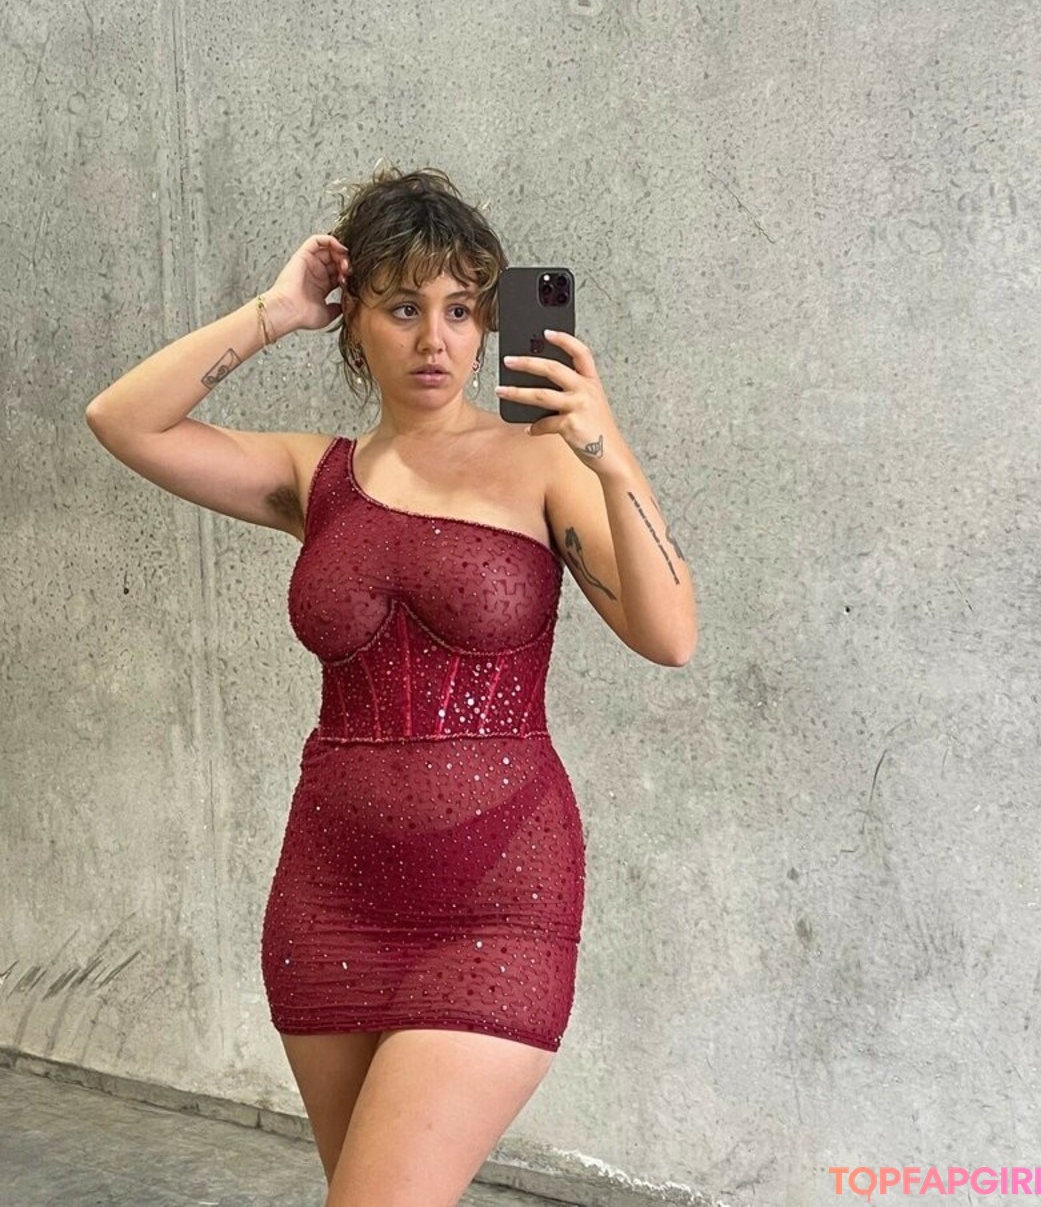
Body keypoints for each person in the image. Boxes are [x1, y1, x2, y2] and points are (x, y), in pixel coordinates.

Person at [85, 164, 698, 1207]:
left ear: (489, 321)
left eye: (461, 309)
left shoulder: (545, 463)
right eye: (404, 306)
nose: (435, 340)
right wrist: (274, 311)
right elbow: (122, 419)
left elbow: (670, 634)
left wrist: (609, 454)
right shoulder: (314, 477)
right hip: (330, 896)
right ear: (353, 319)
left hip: (498, 898)